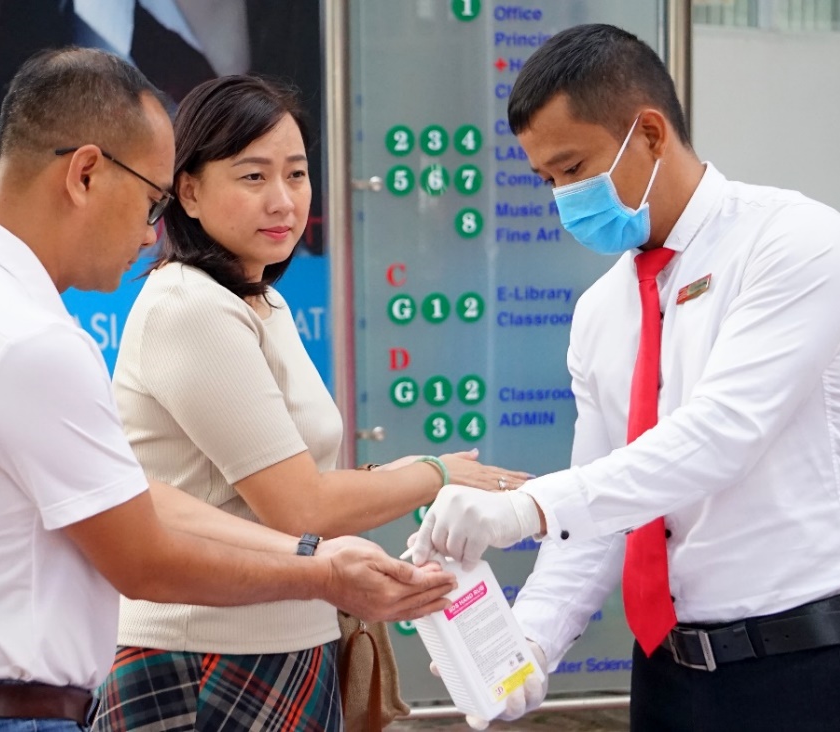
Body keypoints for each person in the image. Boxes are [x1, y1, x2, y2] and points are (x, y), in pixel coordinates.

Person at [0, 47, 457, 732]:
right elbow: (145, 559)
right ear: (84, 172)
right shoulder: (32, 340)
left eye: (296, 174)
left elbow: (141, 503)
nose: (148, 233)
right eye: (149, 200)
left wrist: (312, 555)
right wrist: (325, 573)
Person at [410, 23, 840, 731]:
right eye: (547, 179)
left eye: (572, 167)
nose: (560, 197)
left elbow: (720, 435)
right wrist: (526, 645)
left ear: (648, 133)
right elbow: (602, 505)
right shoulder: (599, 311)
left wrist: (527, 507)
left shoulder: (793, 242)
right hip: (669, 678)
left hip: (811, 667)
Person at [91, 74, 530, 732]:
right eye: (252, 177)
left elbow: (303, 496)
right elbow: (299, 507)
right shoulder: (190, 306)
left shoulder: (258, 300)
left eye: (296, 175)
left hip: (284, 638)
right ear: (188, 190)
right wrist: (436, 473)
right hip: (203, 655)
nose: (283, 201)